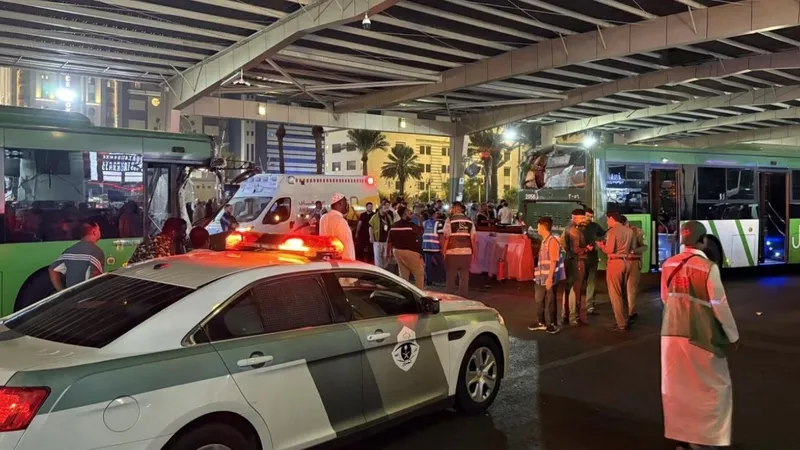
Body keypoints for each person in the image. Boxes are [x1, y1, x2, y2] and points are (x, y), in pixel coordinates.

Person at [661, 221, 739, 450]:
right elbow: (719, 305)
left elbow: (666, 298)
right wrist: (733, 335)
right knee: (713, 388)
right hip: (701, 335)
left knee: (677, 387)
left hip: (670, 333)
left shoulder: (668, 264)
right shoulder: (708, 267)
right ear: (703, 241)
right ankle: (705, 440)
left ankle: (684, 437)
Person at [596, 212, 638, 331]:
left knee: (615, 293)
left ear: (611, 218)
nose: (607, 222)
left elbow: (609, 250)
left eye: (607, 219)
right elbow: (633, 248)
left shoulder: (612, 231)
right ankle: (626, 318)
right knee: (624, 292)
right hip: (627, 262)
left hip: (615, 262)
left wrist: (601, 246)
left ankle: (621, 323)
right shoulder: (629, 231)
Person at [528, 217, 565, 334]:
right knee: (539, 300)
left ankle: (552, 324)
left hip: (548, 277)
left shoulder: (552, 241)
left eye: (538, 226)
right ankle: (541, 322)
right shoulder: (544, 241)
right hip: (540, 278)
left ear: (543, 227)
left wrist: (550, 278)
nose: (537, 228)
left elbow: (554, 261)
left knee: (550, 302)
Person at [48, 220, 104, 291]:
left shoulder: (69, 250)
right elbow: (95, 276)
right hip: (86, 295)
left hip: (73, 295)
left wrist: (61, 291)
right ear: (94, 232)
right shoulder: (96, 251)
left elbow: (52, 269)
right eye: (98, 230)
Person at [560, 208, 591, 326]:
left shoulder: (567, 228)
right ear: (575, 217)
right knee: (576, 290)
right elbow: (576, 249)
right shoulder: (575, 231)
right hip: (577, 261)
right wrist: (586, 249)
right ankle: (574, 317)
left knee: (568, 289)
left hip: (568, 260)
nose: (584, 220)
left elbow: (562, 243)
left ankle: (565, 315)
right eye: (582, 217)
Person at [442, 201, 476, 297]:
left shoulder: (450, 220)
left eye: (452, 208)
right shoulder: (469, 221)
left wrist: (444, 251)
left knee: (451, 275)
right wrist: (474, 252)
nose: (451, 210)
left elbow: (446, 237)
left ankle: (449, 296)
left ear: (456, 208)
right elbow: (473, 238)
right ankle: (463, 296)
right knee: (464, 275)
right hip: (467, 252)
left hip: (452, 252)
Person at [387, 205, 425, 288]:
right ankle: (419, 292)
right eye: (408, 212)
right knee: (419, 273)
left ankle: (404, 291)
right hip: (411, 252)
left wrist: (388, 253)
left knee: (403, 275)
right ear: (404, 214)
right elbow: (421, 231)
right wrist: (420, 219)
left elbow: (389, 241)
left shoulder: (394, 226)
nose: (411, 213)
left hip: (397, 252)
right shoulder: (411, 226)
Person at [621, 214, 648, 322]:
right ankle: (624, 311)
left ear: (626, 223)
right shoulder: (616, 231)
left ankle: (631, 312)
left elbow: (645, 247)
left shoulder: (638, 232)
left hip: (633, 261)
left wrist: (633, 251)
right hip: (620, 263)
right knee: (621, 289)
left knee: (631, 288)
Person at [319, 193, 356, 260]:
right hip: (342, 261)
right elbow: (345, 245)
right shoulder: (340, 220)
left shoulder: (323, 218)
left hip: (327, 259)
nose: (347, 205)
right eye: (345, 202)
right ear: (340, 203)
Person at [583, 208, 606, 315]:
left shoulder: (595, 226)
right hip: (580, 259)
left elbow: (604, 235)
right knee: (578, 283)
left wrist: (599, 241)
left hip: (592, 258)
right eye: (587, 216)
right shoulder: (577, 227)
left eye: (591, 216)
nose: (589, 218)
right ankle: (574, 307)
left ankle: (590, 306)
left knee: (591, 282)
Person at [422, 211, 445, 285]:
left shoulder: (424, 223)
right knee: (440, 263)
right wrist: (442, 248)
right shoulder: (438, 224)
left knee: (427, 264)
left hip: (426, 246)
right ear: (434, 215)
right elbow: (441, 237)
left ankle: (428, 281)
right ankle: (445, 279)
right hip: (435, 246)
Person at [369, 202, 392, 268]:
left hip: (386, 240)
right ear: (380, 208)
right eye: (385, 208)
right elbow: (370, 227)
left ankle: (384, 268)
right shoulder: (374, 217)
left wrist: (389, 237)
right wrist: (371, 236)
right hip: (377, 240)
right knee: (378, 257)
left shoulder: (388, 217)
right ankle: (379, 269)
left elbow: (390, 227)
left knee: (386, 256)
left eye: (387, 208)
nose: (387, 209)